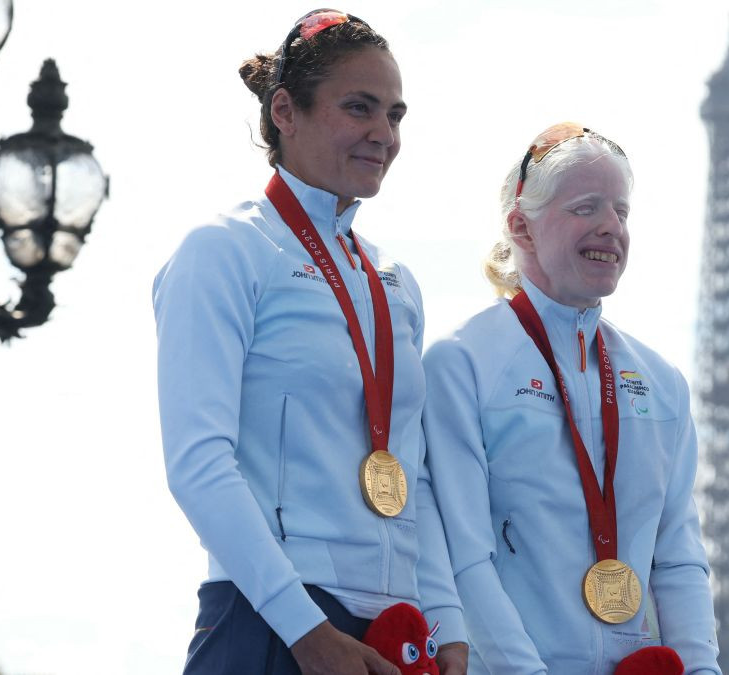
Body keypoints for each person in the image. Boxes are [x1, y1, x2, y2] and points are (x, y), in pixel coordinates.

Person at [153, 10, 467, 674]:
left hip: (395, 632)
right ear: (286, 111)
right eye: (360, 108)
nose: (383, 134)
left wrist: (449, 624)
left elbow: (416, 479)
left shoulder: (395, 283)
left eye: (395, 114)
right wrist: (306, 631)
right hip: (272, 622)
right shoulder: (225, 250)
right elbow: (198, 464)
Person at [423, 123, 722, 674]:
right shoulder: (462, 362)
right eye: (586, 208)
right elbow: (464, 554)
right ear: (522, 227)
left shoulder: (660, 380)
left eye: (622, 212)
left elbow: (678, 560)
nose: (611, 227)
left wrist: (703, 670)